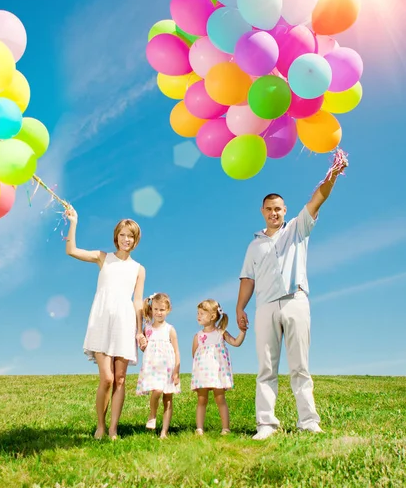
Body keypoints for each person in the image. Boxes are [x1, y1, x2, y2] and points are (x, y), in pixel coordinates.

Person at [236, 153, 348, 440]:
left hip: (296, 300)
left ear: (285, 211)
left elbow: (317, 199)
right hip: (265, 307)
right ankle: (266, 425)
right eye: (269, 209)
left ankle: (308, 421)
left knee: (300, 366)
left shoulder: (298, 228)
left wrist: (332, 174)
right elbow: (247, 279)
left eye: (278, 209)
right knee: (265, 369)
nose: (274, 213)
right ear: (262, 211)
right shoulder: (253, 245)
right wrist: (240, 308)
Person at [65, 207, 146, 440]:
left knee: (120, 379)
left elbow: (138, 301)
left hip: (124, 322)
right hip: (101, 320)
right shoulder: (103, 258)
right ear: (116, 237)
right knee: (107, 378)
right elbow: (71, 250)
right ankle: (100, 425)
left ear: (135, 240)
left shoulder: (139, 269)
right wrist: (74, 222)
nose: (126, 239)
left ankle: (113, 430)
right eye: (122, 234)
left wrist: (139, 332)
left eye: (130, 236)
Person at [191, 299, 245, 435]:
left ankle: (225, 428)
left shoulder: (221, 333)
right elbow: (195, 354)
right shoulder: (198, 336)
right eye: (198, 313)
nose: (198, 316)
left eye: (202, 313)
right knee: (201, 399)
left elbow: (236, 342)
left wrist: (242, 332)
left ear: (213, 316)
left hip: (217, 372)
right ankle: (199, 428)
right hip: (203, 373)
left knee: (220, 398)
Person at [135, 292, 181, 439]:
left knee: (168, 398)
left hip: (167, 368)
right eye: (155, 309)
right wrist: (142, 344)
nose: (159, 313)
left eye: (162, 310)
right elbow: (142, 344)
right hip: (153, 367)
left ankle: (164, 432)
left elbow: (176, 351)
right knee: (157, 390)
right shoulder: (147, 328)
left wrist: (176, 371)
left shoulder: (170, 329)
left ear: (168, 310)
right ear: (152, 309)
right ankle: (152, 414)